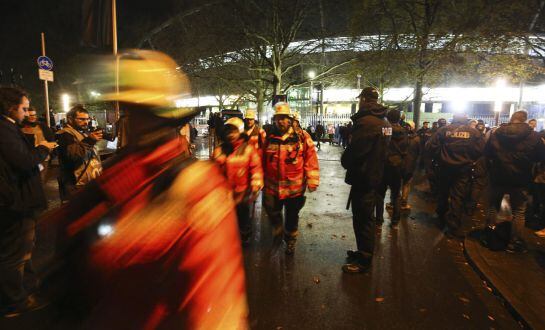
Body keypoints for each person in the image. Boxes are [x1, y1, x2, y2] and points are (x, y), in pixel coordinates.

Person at [42, 50, 248, 328]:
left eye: (138, 112)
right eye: (126, 110)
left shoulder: (195, 185)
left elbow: (216, 297)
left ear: (163, 117)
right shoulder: (121, 170)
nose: (129, 121)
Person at [0, 87, 56, 317]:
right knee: (16, 254)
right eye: (24, 108)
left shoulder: (8, 127)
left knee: (23, 250)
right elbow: (23, 160)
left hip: (18, 200)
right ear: (11, 107)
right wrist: (43, 148)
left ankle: (27, 288)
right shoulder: (4, 129)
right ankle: (14, 302)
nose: (26, 113)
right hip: (16, 202)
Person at [341, 87, 391, 273]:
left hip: (365, 177)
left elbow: (356, 151)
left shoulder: (367, 122)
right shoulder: (384, 121)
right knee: (364, 217)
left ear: (364, 99)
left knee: (363, 219)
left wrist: (345, 160)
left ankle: (364, 260)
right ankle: (362, 252)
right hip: (375, 175)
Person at [262, 102, 319, 255]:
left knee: (292, 218)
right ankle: (278, 230)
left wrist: (312, 180)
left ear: (290, 119)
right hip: (272, 187)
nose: (280, 121)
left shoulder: (301, 137)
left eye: (284, 118)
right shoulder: (268, 137)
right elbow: (261, 159)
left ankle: (290, 241)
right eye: (278, 118)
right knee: (271, 210)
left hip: (294, 189)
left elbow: (310, 158)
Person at [484, 111, 545, 252]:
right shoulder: (534, 136)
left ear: (512, 118)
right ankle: (514, 242)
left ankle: (490, 237)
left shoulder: (497, 132)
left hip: (498, 177)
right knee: (519, 211)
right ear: (525, 120)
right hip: (521, 179)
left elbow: (487, 153)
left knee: (493, 206)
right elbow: (541, 157)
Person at [427, 113, 485, 238]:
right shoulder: (473, 132)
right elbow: (480, 150)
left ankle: (441, 216)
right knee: (457, 196)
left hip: (444, 168)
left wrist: (439, 157)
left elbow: (430, 146)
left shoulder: (444, 130)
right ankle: (453, 226)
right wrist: (469, 158)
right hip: (463, 169)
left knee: (443, 192)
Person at [213, 117, 263, 245]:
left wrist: (256, 184)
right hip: (224, 194)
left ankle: (244, 236)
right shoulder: (219, 150)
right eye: (228, 132)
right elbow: (213, 170)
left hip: (243, 193)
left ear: (240, 132)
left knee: (243, 217)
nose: (230, 135)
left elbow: (256, 168)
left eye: (234, 132)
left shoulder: (248, 149)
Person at [56, 105, 103, 202]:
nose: (86, 122)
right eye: (81, 119)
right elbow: (71, 155)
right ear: (70, 119)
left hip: (87, 181)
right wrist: (89, 141)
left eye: (87, 119)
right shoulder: (64, 134)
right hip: (75, 183)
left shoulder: (82, 132)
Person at [376, 109, 408, 227]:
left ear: (388, 118)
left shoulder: (385, 130)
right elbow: (406, 150)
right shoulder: (404, 131)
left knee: (380, 193)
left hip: (384, 165)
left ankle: (379, 220)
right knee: (396, 194)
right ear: (399, 118)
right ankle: (395, 221)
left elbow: (380, 146)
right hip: (397, 165)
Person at [401, 121, 421, 211]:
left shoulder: (401, 137)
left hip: (399, 164)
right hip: (410, 165)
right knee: (406, 183)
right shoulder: (417, 139)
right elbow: (420, 153)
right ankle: (403, 203)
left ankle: (394, 202)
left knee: (398, 183)